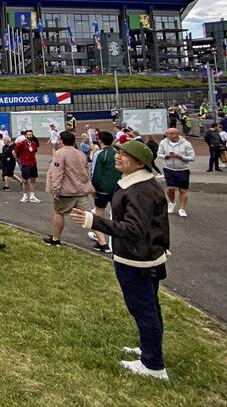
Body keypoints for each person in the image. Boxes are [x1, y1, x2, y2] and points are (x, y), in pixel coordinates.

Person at [71, 141, 171, 381]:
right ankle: (149, 349)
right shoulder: (138, 184)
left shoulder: (140, 190)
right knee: (148, 307)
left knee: (144, 308)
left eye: (126, 155)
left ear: (139, 163)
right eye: (120, 152)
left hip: (138, 258)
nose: (119, 157)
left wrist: (94, 221)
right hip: (142, 255)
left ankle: (153, 365)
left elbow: (133, 228)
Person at [43, 131, 95, 247]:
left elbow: (57, 173)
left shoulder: (60, 154)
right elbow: (86, 173)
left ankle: (56, 239)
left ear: (61, 140)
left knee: (58, 212)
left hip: (66, 191)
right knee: (89, 216)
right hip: (81, 190)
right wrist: (89, 187)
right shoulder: (80, 154)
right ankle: (103, 241)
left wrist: (55, 189)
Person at [88, 131, 121, 253]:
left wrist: (93, 188)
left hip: (102, 189)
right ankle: (115, 242)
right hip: (117, 188)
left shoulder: (100, 154)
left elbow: (95, 172)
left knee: (99, 215)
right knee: (116, 215)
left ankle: (103, 243)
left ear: (100, 141)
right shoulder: (117, 153)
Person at [157, 128, 195, 218]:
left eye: (168, 133)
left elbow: (192, 157)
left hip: (182, 169)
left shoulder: (186, 144)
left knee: (183, 190)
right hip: (168, 168)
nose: (166, 135)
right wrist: (166, 156)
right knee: (170, 188)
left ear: (175, 134)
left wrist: (180, 157)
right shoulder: (163, 142)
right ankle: (172, 202)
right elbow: (159, 153)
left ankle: (182, 208)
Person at [16, 130, 41, 203]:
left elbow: (35, 152)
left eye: (31, 135)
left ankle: (32, 196)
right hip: (25, 163)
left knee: (33, 179)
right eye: (29, 135)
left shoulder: (34, 143)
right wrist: (18, 160)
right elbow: (14, 152)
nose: (30, 136)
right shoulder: (21, 144)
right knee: (25, 180)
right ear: (25, 135)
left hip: (33, 164)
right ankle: (25, 196)